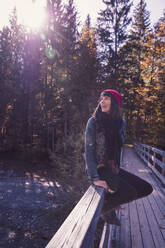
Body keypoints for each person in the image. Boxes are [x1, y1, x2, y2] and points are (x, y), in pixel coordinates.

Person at [85, 89, 153, 225]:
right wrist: (94, 178)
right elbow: (88, 151)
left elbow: (117, 148)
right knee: (129, 193)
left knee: (146, 188)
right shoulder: (94, 122)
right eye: (101, 98)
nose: (102, 101)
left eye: (106, 98)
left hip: (113, 168)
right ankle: (101, 211)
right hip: (99, 168)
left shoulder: (121, 123)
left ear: (115, 103)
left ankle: (110, 204)